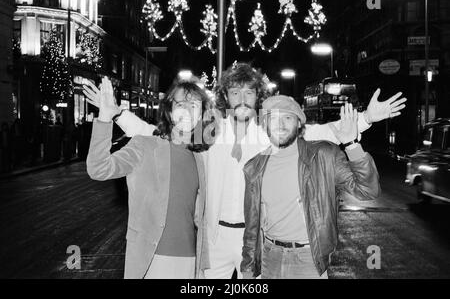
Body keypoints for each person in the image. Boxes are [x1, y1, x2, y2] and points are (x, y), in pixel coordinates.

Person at [83, 63, 406, 279]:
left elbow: (324, 131)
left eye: (249, 92)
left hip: (257, 237)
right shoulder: (207, 131)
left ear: (258, 97)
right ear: (225, 96)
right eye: (234, 92)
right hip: (214, 235)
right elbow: (156, 133)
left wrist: (366, 119)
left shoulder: (270, 131)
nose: (241, 99)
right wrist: (113, 116)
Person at [86, 78, 214, 279]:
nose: (188, 111)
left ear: (201, 115)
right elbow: (99, 169)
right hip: (152, 258)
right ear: (170, 111)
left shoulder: (199, 158)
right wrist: (105, 118)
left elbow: (196, 214)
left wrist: (201, 267)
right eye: (181, 104)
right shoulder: (145, 146)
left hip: (189, 260)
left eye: (194, 105)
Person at [241, 96, 381, 279]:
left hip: (308, 259)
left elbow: (367, 190)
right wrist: (248, 269)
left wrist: (352, 144)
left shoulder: (323, 155)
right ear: (266, 124)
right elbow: (251, 227)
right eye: (274, 118)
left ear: (299, 123)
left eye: (288, 118)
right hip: (270, 258)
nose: (280, 125)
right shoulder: (254, 167)